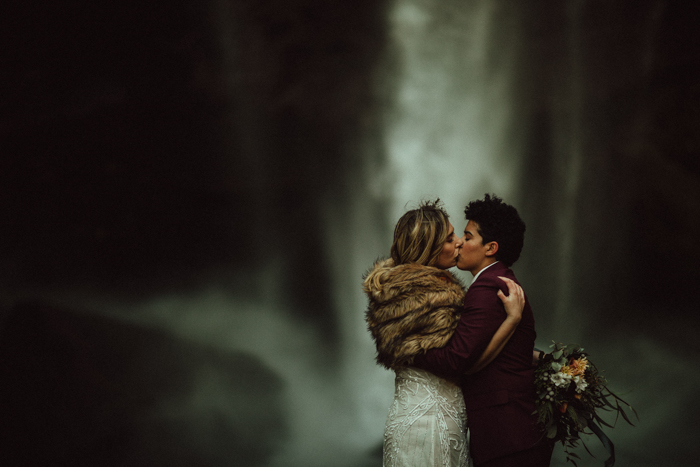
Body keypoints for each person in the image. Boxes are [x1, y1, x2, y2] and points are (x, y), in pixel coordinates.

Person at [363, 200, 526, 467]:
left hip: (427, 416)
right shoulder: (430, 297)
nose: (459, 242)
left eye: (459, 236)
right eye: (451, 238)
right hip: (428, 422)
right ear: (430, 248)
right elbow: (457, 360)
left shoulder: (399, 291)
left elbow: (460, 346)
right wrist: (512, 320)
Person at [412, 194, 553, 467]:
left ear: (490, 247)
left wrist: (408, 351)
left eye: (467, 236)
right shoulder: (499, 282)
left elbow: (458, 360)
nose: (460, 243)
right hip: (514, 432)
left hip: (507, 434)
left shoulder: (487, 289)